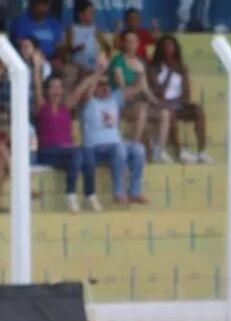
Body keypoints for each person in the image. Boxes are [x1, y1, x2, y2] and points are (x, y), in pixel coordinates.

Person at [76, 54, 148, 205]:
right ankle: (118, 192)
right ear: (94, 87)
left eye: (107, 85)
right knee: (120, 149)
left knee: (139, 149)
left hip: (115, 145)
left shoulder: (114, 99)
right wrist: (99, 73)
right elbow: (86, 90)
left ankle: (135, 191)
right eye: (101, 85)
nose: (105, 88)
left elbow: (139, 87)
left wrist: (141, 72)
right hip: (95, 147)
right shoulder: (89, 102)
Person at [33, 62, 100, 213]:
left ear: (62, 90)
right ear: (48, 91)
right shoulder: (42, 106)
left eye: (58, 87)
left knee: (87, 151)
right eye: (53, 87)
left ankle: (90, 194)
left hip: (66, 153)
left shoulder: (66, 108)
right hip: (47, 152)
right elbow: (37, 86)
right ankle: (70, 193)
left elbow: (80, 90)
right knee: (76, 152)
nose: (56, 91)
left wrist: (98, 72)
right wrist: (37, 66)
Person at [148, 36, 211, 164]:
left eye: (171, 45)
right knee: (169, 114)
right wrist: (170, 71)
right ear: (160, 49)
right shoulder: (154, 68)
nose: (169, 48)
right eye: (165, 45)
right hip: (161, 105)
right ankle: (179, 151)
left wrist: (178, 103)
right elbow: (159, 92)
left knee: (198, 110)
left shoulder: (182, 68)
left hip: (178, 104)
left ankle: (202, 152)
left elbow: (186, 93)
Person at [110, 30, 160, 145]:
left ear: (138, 43)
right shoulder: (117, 60)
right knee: (141, 109)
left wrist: (156, 102)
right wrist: (138, 85)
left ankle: (158, 150)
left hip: (134, 100)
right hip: (118, 100)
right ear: (123, 44)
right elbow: (121, 85)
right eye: (127, 41)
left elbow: (145, 88)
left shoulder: (140, 62)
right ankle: (133, 146)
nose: (130, 44)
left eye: (133, 41)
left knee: (163, 113)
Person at [66, 1, 109, 74]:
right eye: (89, 12)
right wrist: (76, 48)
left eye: (93, 12)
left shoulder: (96, 31)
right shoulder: (72, 30)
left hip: (95, 67)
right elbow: (66, 50)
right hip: (76, 66)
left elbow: (106, 49)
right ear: (81, 14)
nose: (92, 15)